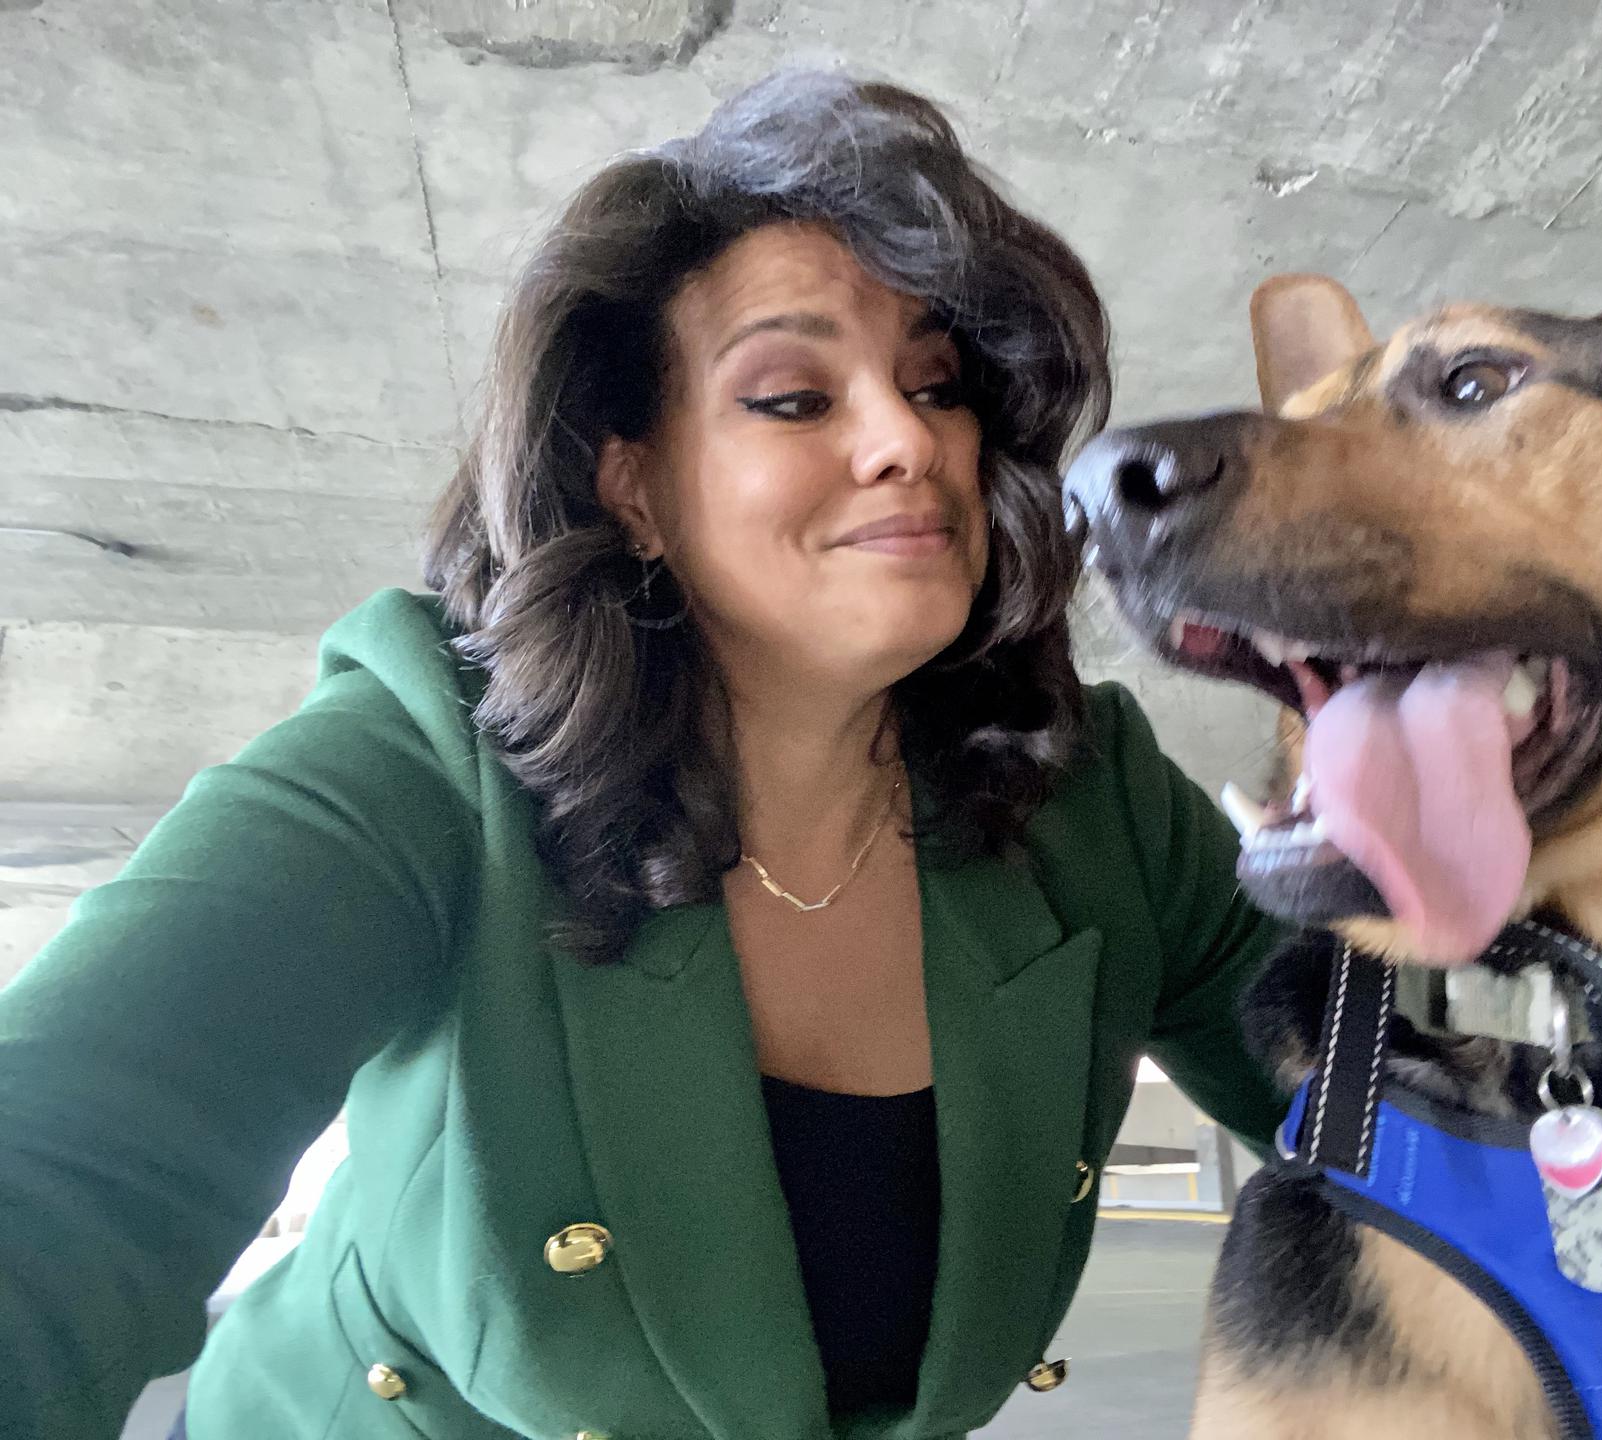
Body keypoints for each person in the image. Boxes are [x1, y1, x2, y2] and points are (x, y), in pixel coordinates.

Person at [0, 70, 1286, 1440]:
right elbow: (71, 1171)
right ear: (635, 487)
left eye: (938, 384)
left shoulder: (1094, 795)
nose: (910, 439)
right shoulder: (424, 762)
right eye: (794, 397)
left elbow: (1401, 1128)